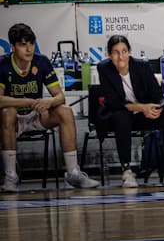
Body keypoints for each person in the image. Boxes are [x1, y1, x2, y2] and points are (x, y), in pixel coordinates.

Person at [0, 23, 99, 192]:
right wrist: (28, 102)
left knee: (65, 111)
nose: (29, 49)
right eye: (23, 45)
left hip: (37, 115)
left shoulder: (42, 61)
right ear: (12, 47)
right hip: (12, 120)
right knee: (7, 112)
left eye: (31, 43)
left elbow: (59, 96)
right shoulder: (3, 64)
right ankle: (10, 176)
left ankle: (73, 172)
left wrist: (49, 102)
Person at [96, 35, 164, 187]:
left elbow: (156, 93)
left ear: (129, 52)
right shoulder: (103, 68)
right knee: (121, 117)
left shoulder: (142, 66)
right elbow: (114, 101)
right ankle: (126, 170)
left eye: (124, 51)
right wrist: (141, 107)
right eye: (115, 52)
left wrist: (153, 108)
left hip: (145, 112)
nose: (120, 56)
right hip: (120, 112)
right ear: (109, 54)